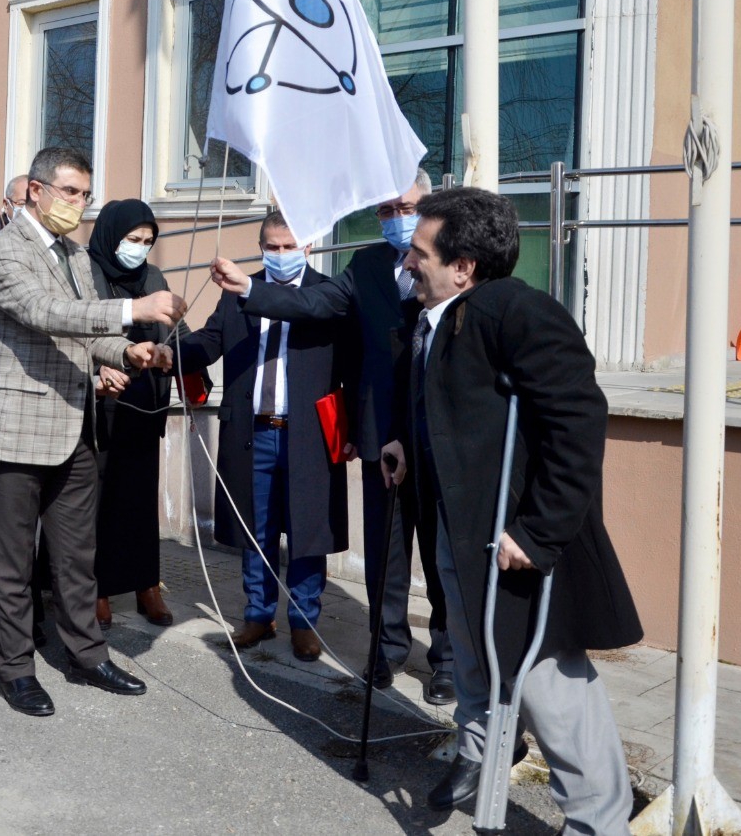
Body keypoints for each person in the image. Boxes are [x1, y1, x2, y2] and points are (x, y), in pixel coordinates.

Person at [379, 187, 642, 828]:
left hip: (518, 540)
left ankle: (598, 821)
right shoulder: (432, 318)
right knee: (472, 653)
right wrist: (403, 442)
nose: (409, 263)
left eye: (420, 253)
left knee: (550, 685)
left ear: (463, 265)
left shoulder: (517, 311)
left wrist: (539, 530)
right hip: (459, 525)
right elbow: (450, 411)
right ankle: (479, 752)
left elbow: (578, 422)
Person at [210, 169, 454, 702]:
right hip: (381, 434)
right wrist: (251, 288)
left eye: (406, 208)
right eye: (386, 210)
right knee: (386, 555)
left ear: (430, 207)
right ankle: (387, 651)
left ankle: (447, 661)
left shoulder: (457, 260)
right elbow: (315, 306)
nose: (396, 219)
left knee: (441, 557)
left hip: (440, 434)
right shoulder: (364, 265)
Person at [0, 145, 184, 717]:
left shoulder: (77, 255)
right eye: (70, 192)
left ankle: (88, 654)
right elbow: (45, 313)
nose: (79, 204)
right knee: (13, 560)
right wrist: (133, 312)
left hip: (75, 426)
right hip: (14, 428)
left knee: (76, 556)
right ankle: (15, 667)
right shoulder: (0, 252)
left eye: (86, 195)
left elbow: (88, 337)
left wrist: (130, 354)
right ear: (36, 190)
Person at [179, 211, 358, 662]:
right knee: (254, 530)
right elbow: (210, 341)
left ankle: (303, 621)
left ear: (309, 247)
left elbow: (352, 368)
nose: (279, 256)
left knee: (306, 531)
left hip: (309, 435)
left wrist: (353, 428)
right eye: (271, 247)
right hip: (252, 431)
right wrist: (169, 351)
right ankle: (258, 615)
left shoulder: (329, 293)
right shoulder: (238, 292)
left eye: (288, 247)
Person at [86, 198, 203, 630]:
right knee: (96, 503)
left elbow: (177, 328)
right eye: (132, 239)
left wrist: (174, 350)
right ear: (111, 234)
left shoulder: (152, 275)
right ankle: (95, 590)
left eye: (147, 241)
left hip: (144, 404)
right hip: (99, 405)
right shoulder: (86, 271)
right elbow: (73, 329)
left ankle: (145, 585)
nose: (138, 248)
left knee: (137, 502)